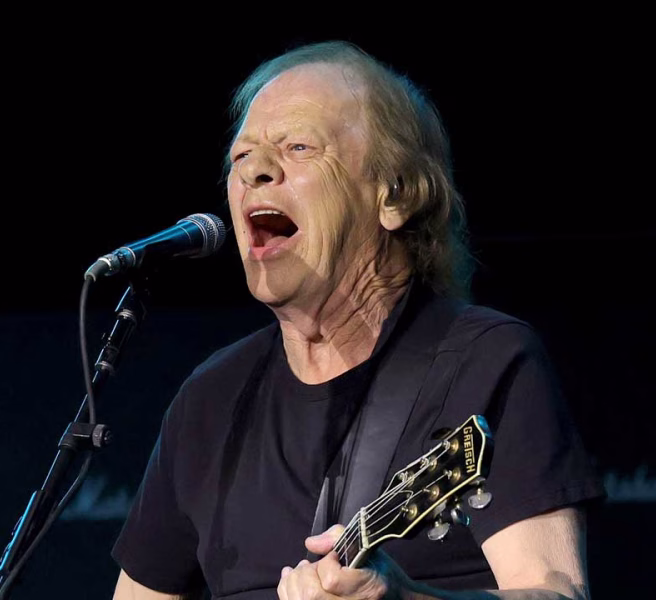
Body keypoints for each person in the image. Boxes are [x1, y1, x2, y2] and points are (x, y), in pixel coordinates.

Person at [111, 41, 604, 600]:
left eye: (298, 147)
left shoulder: (485, 362)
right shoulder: (210, 401)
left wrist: (405, 599)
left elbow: (555, 591)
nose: (255, 171)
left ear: (394, 194)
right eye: (241, 156)